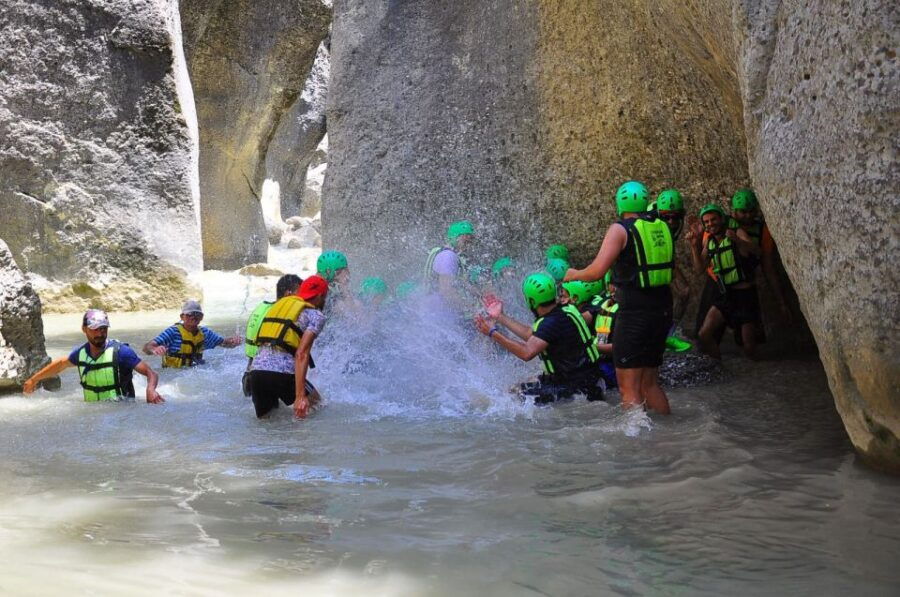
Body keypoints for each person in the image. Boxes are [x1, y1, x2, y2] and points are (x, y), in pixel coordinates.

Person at [564, 180, 673, 414]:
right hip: (662, 309)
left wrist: (574, 274)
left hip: (635, 313)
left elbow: (596, 272)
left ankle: (635, 442)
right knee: (650, 383)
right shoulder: (661, 226)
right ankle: (669, 432)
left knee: (629, 387)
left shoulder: (620, 229)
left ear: (620, 203)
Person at [475, 272, 603, 404]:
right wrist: (500, 317)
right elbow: (533, 335)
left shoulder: (550, 323)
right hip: (589, 379)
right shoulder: (566, 310)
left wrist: (492, 333)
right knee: (521, 385)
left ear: (531, 301)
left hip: (575, 388)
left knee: (511, 396)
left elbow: (526, 353)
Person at [23, 309, 164, 404]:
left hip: (122, 410)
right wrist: (33, 380)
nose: (100, 333)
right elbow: (61, 364)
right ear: (84, 329)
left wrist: (150, 389)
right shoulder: (81, 353)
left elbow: (151, 373)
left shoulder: (121, 352)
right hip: (93, 412)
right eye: (95, 329)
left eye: (103, 329)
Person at [246, 275, 329, 419]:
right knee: (319, 406)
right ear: (321, 296)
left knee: (267, 426)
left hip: (256, 374)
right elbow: (301, 354)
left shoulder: (277, 306)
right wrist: (300, 396)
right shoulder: (316, 315)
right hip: (282, 374)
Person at [686, 203, 761, 360]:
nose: (710, 224)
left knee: (749, 348)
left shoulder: (736, 232)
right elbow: (699, 270)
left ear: (721, 219)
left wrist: (738, 241)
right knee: (704, 334)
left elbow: (756, 250)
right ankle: (718, 365)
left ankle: (753, 370)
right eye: (706, 222)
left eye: (713, 220)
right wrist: (694, 246)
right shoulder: (710, 241)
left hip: (744, 295)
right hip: (725, 295)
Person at [728, 188, 792, 321]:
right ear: (734, 212)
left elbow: (768, 267)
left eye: (751, 211)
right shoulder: (725, 225)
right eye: (743, 212)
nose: (748, 215)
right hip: (723, 285)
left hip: (747, 284)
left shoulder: (763, 231)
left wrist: (781, 302)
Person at [242, 274, 302, 396]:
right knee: (318, 404)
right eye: (300, 293)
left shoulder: (263, 309)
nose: (303, 298)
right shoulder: (282, 315)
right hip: (271, 378)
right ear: (288, 294)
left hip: (249, 380)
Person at [143, 300, 242, 368]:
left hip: (195, 374)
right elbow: (146, 348)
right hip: (173, 373)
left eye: (197, 314)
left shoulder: (205, 333)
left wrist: (233, 341)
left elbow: (224, 343)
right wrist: (154, 349)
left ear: (202, 317)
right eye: (189, 314)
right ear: (182, 317)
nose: (193, 317)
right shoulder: (173, 332)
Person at [652, 189, 693, 352]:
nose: (670, 221)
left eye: (675, 217)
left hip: (663, 260)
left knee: (684, 292)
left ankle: (669, 332)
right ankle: (663, 335)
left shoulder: (669, 224)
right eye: (666, 217)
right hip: (652, 264)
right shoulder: (651, 223)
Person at [424, 220, 476, 311]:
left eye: (470, 241)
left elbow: (462, 283)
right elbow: (446, 291)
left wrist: (480, 295)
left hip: (432, 310)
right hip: (440, 314)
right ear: (455, 237)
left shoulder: (443, 252)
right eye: (466, 241)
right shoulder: (448, 256)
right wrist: (472, 309)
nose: (469, 245)